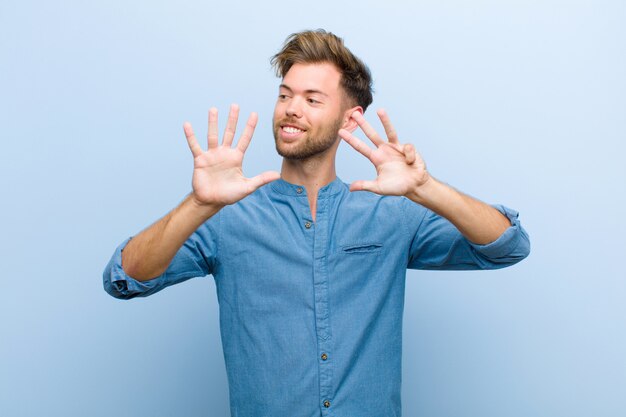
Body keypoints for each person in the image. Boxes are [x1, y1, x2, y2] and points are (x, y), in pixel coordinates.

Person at [104, 29, 530, 417]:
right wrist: (197, 204)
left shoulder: (390, 213)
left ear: (349, 118)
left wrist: (425, 188)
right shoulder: (227, 218)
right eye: (285, 95)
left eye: (312, 99)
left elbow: (507, 245)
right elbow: (125, 278)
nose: (291, 110)